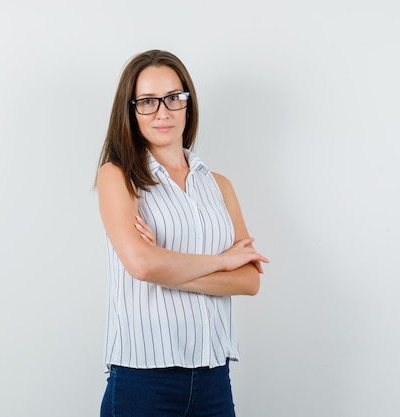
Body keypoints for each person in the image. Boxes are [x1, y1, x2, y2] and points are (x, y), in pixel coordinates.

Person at [96, 49, 269, 417]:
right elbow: (142, 265)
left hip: (213, 379)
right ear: (131, 110)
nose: (163, 111)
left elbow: (250, 280)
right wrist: (222, 262)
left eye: (174, 98)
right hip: (143, 382)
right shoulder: (118, 176)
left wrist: (167, 267)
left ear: (188, 103)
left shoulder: (218, 185)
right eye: (147, 101)